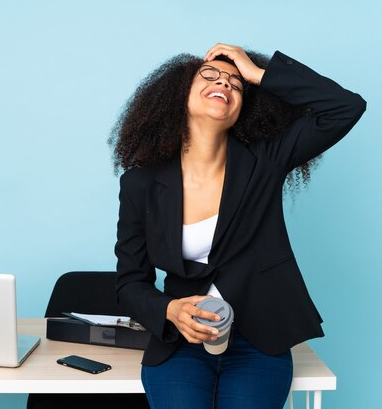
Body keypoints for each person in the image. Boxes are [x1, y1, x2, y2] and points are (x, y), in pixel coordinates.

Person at [110, 43, 366, 409]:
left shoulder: (266, 161)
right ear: (179, 95)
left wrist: (260, 73)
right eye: (210, 75)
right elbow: (129, 283)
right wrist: (171, 311)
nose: (224, 83)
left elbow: (346, 107)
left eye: (235, 83)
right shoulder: (141, 184)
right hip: (183, 340)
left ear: (244, 105)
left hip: (259, 341)